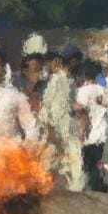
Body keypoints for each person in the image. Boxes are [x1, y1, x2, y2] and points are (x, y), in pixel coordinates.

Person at [38, 51, 86, 191]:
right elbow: (51, 109)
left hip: (63, 132)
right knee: (66, 168)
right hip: (58, 133)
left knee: (65, 169)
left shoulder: (64, 80)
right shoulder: (59, 80)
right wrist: (51, 130)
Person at [75, 59, 108, 192]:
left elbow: (81, 114)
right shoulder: (104, 90)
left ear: (83, 73)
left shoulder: (83, 91)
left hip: (89, 139)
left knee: (89, 173)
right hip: (103, 137)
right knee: (99, 171)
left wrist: (81, 137)